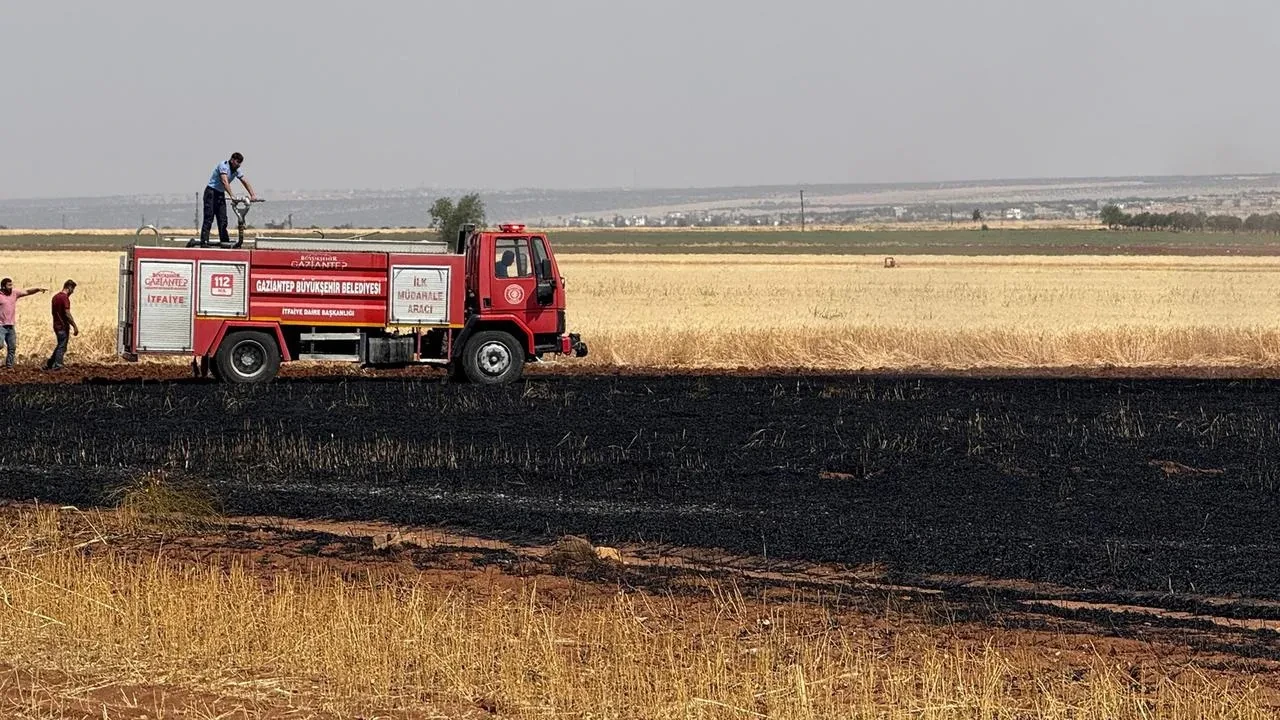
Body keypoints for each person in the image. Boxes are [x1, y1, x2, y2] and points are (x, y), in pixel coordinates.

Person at [200, 152, 258, 247]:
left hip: (220, 194)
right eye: (237, 162)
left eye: (240, 163)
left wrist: (252, 195)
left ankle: (224, 241)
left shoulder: (236, 170)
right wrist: (232, 196)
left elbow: (244, 181)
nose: (239, 165)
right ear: (232, 160)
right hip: (211, 192)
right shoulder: (223, 166)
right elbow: (224, 181)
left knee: (223, 219)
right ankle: (204, 242)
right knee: (209, 218)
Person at [0, 278, 47, 369]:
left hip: (11, 326)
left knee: (12, 347)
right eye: (9, 285)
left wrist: (37, 289)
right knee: (0, 345)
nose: (11, 287)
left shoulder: (14, 293)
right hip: (1, 326)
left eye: (11, 285)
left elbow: (27, 292)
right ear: (3, 286)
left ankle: (9, 366)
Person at [45, 280, 78, 371]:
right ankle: (58, 365)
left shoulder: (55, 297)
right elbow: (67, 313)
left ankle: (50, 363)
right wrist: (74, 326)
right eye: (72, 289)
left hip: (56, 325)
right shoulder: (64, 298)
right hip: (62, 326)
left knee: (60, 344)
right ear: (69, 288)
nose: (72, 292)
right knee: (62, 346)